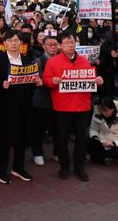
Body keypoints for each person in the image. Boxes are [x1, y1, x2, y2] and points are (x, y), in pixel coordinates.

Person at [43, 33, 104, 181]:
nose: (70, 45)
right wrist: (52, 81)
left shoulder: (84, 60)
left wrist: (98, 81)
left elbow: (91, 81)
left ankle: (79, 167)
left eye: (72, 42)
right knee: (62, 137)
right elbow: (46, 79)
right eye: (66, 42)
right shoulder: (53, 62)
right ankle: (64, 167)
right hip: (62, 106)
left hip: (82, 106)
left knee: (81, 138)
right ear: (60, 45)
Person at [0, 30, 40, 184]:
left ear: (21, 43)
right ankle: (1, 170)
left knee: (22, 137)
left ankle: (18, 168)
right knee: (4, 140)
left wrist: (36, 82)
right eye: (10, 40)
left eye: (16, 40)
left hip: (23, 105)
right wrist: (1, 85)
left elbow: (30, 82)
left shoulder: (26, 60)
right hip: (4, 107)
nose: (13, 43)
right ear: (4, 43)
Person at [32, 36, 59, 166]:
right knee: (40, 129)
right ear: (43, 46)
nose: (53, 47)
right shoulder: (38, 61)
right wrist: (52, 82)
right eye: (50, 44)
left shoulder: (62, 59)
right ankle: (37, 153)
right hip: (43, 100)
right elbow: (39, 80)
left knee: (58, 129)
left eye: (55, 44)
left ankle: (57, 152)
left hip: (59, 100)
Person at [89, 96, 118, 165]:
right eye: (101, 110)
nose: (103, 113)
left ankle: (104, 159)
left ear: (113, 108)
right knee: (89, 142)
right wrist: (97, 139)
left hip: (115, 142)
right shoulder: (97, 112)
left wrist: (114, 143)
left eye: (106, 111)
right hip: (102, 141)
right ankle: (108, 158)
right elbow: (93, 129)